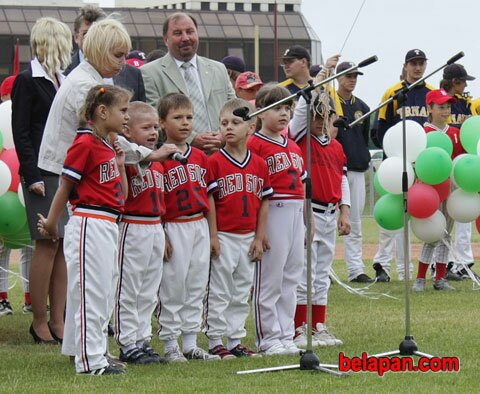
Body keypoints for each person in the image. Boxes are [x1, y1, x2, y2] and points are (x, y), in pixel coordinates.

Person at [37, 17, 180, 361]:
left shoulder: (95, 81)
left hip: (81, 178)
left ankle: (79, 346)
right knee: (91, 280)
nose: (121, 63)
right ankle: (89, 352)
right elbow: (107, 140)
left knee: (87, 278)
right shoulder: (83, 87)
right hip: (77, 182)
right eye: (117, 55)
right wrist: (149, 153)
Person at [38, 84, 131, 375]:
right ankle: (90, 361)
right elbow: (65, 186)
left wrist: (119, 163)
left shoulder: (105, 145)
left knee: (102, 291)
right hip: (89, 221)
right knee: (91, 292)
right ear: (102, 112)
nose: (126, 116)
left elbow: (121, 197)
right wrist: (53, 223)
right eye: (123, 110)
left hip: (106, 222)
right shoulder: (85, 143)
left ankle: (90, 351)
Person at [11, 17, 72, 343]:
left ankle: (58, 319)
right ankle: (39, 321)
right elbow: (21, 131)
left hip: (64, 173)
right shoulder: (26, 80)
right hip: (41, 174)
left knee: (61, 246)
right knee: (46, 244)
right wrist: (31, 174)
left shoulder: (62, 80)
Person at [204, 98, 272, 360]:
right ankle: (214, 339)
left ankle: (235, 339)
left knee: (241, 291)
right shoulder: (214, 162)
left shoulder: (259, 164)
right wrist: (212, 235)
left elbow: (264, 200)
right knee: (220, 291)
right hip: (224, 235)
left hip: (247, 237)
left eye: (235, 122)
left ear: (251, 127)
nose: (228, 128)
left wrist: (259, 236)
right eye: (224, 123)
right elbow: (210, 200)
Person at [156, 93, 220, 362]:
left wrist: (213, 233)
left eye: (189, 117)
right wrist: (161, 234)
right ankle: (170, 343)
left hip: (199, 226)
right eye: (177, 117)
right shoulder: (159, 157)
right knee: (173, 286)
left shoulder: (201, 157)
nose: (185, 123)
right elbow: (156, 199)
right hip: (173, 225)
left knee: (196, 284)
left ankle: (190, 342)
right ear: (162, 122)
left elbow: (209, 197)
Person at [247, 84, 306, 356]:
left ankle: (286, 332)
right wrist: (260, 229)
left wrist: (308, 223)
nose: (283, 113)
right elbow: (255, 188)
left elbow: (303, 187)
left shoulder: (293, 145)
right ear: (259, 112)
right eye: (276, 108)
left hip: (295, 210)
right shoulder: (254, 144)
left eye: (287, 108)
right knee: (270, 277)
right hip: (272, 210)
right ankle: (268, 337)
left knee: (291, 276)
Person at [289, 89, 350, 347]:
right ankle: (299, 327)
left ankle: (318, 325)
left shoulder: (336, 147)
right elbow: (300, 119)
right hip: (309, 210)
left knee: (322, 273)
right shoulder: (302, 141)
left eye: (324, 115)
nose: (318, 120)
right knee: (305, 271)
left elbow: (342, 179)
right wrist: (317, 86)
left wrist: (344, 210)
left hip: (329, 212)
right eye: (315, 115)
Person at [372, 49, 434, 281]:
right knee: (393, 214)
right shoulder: (393, 92)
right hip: (397, 163)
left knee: (419, 214)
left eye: (421, 63)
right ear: (405, 66)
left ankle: (409, 271)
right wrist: (392, 153)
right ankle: (383, 266)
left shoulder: (431, 93)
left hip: (422, 164)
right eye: (413, 63)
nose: (417, 68)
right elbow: (380, 129)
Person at [113, 102, 165, 365]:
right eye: (146, 127)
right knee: (129, 287)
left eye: (156, 126)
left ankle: (143, 339)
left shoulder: (158, 160)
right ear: (128, 130)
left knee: (149, 290)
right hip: (133, 225)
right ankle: (127, 342)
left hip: (155, 226)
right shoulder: (127, 154)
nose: (153, 132)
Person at [141, 12, 236, 153]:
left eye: (190, 32)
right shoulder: (149, 73)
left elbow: (233, 109)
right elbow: (154, 119)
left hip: (221, 155)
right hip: (179, 159)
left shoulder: (219, 69)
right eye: (178, 33)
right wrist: (191, 138)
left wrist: (224, 134)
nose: (185, 38)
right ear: (166, 39)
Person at [412, 89, 464, 292]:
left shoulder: (455, 134)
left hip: (451, 188)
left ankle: (440, 278)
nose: (445, 110)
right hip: (429, 190)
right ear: (430, 109)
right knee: (432, 233)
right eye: (441, 107)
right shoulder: (422, 134)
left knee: (445, 233)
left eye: (448, 107)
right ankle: (419, 278)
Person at [333, 61, 373, 283]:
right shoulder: (330, 103)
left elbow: (363, 137)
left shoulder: (363, 107)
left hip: (356, 168)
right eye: (348, 76)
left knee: (354, 221)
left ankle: (356, 269)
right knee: (327, 222)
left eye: (355, 76)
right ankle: (325, 271)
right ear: (338, 78)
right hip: (334, 168)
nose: (352, 80)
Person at [64, 5, 146, 102]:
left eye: (125, 55)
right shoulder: (85, 86)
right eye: (118, 55)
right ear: (100, 50)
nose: (124, 62)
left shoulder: (85, 78)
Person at [0, 75, 33, 316]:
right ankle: (2, 298)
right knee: (3, 248)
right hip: (5, 195)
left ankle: (32, 298)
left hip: (26, 185)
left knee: (30, 245)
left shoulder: (31, 118)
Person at [440, 63, 476, 280]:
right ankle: (443, 264)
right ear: (455, 82)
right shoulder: (439, 101)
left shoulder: (465, 105)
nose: (465, 86)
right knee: (443, 219)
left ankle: (462, 263)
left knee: (463, 216)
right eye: (463, 82)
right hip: (441, 168)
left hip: (462, 167)